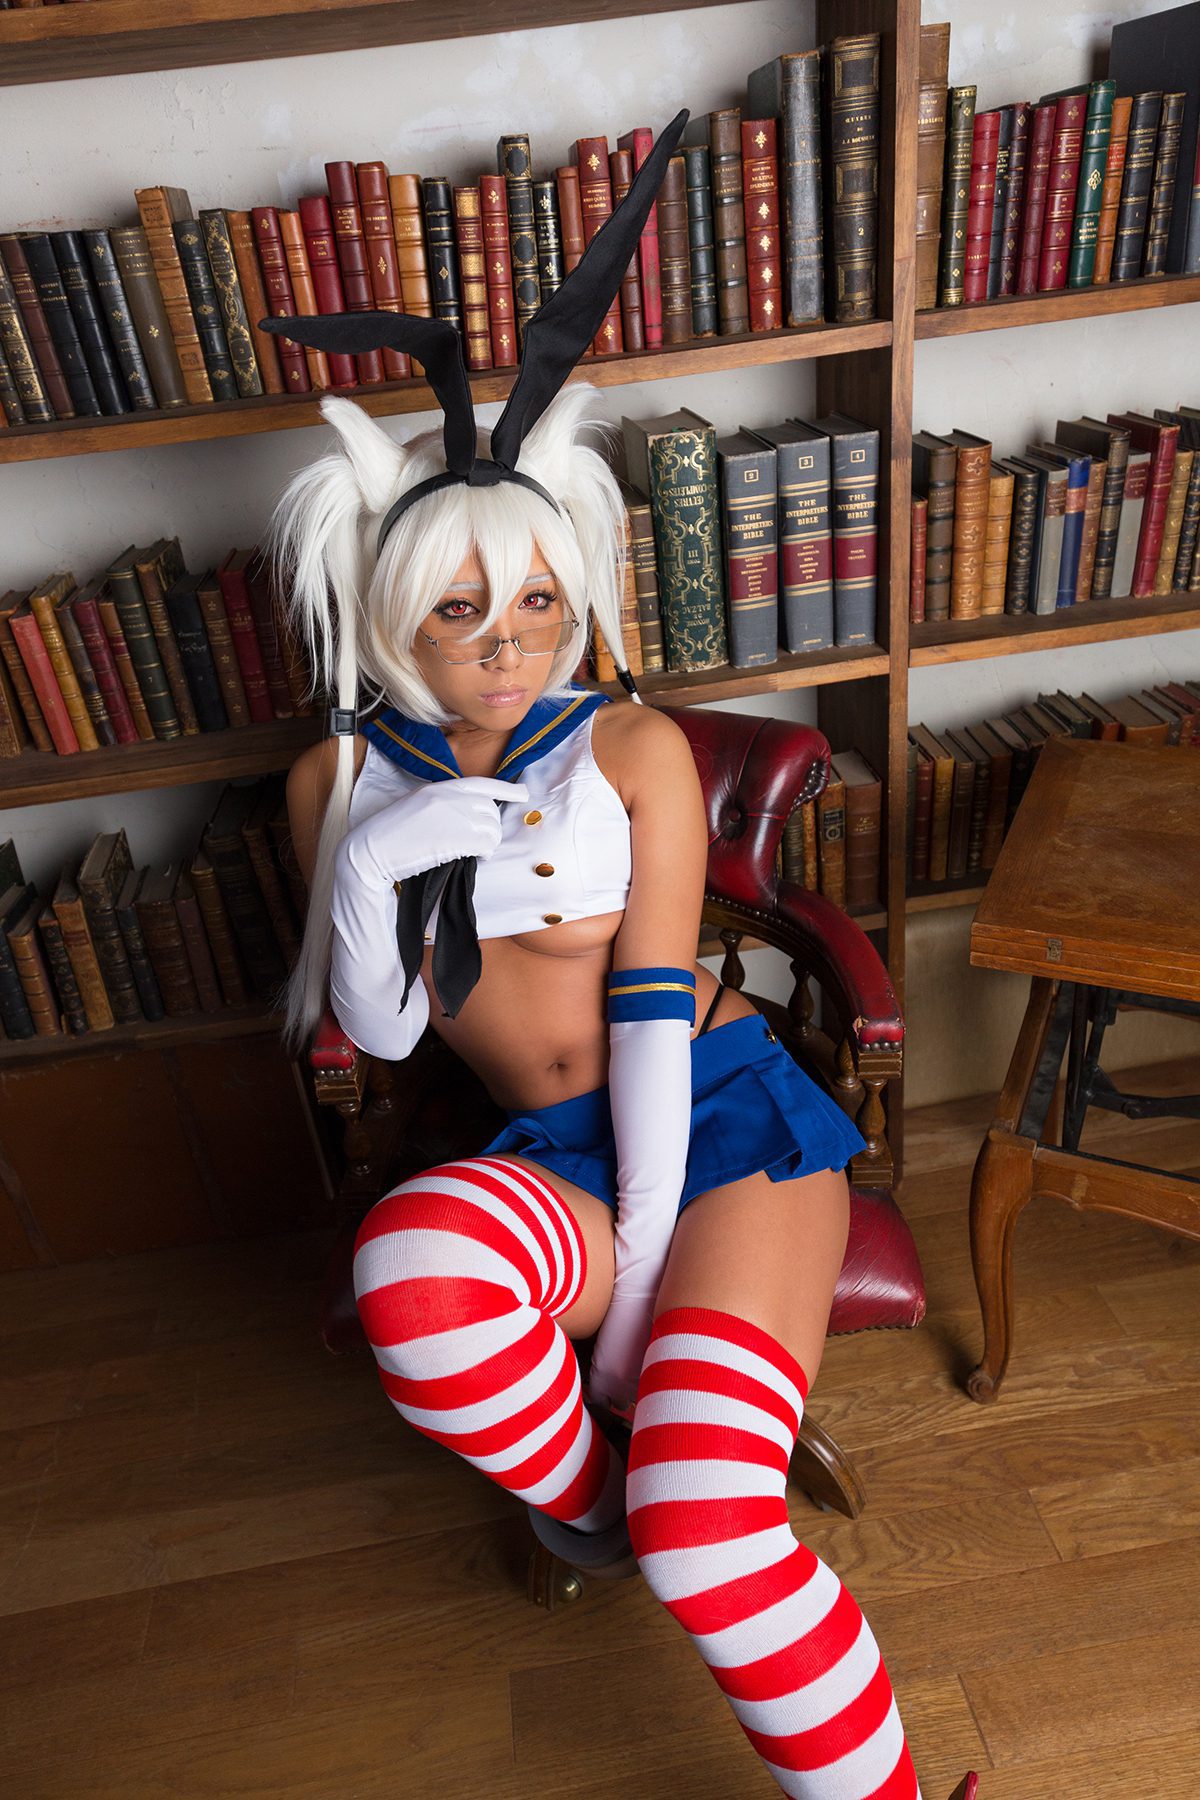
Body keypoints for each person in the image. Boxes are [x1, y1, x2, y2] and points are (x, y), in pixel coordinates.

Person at [262, 114, 976, 1800]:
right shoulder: (337, 786)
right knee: (410, 1271)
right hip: (546, 1154)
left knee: (716, 1533)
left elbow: (655, 1001)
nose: (506, 647)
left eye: (535, 604)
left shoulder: (632, 746)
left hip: (717, 1121)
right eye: (458, 612)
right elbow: (377, 1032)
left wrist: (646, 1250)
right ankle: (596, 1506)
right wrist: (373, 866)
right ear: (392, 606)